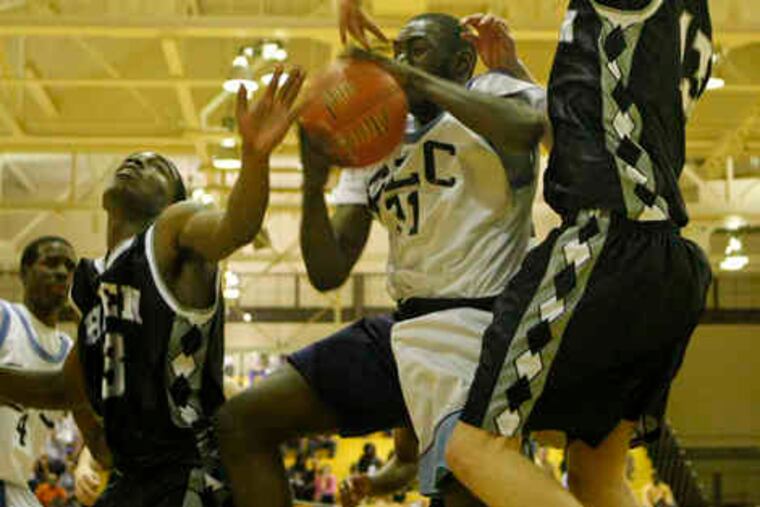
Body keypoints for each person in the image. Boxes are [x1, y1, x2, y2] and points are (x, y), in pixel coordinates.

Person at [219, 9, 546, 507]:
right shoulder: (374, 139)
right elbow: (328, 271)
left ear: (462, 62)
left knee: (461, 495)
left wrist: (418, 82)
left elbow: (529, 129)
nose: (397, 64)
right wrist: (312, 181)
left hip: (481, 329)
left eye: (415, 51)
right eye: (397, 53)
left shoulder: (493, 93)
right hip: (403, 332)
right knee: (241, 423)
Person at [445, 2, 714, 507]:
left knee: (472, 449)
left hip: (607, 244)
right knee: (596, 476)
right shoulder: (677, 20)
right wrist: (515, 75)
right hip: (661, 257)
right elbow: (608, 129)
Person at [0, 66, 305, 507]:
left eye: (156, 165)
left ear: (175, 197)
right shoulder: (93, 283)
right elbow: (64, 390)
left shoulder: (174, 228)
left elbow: (235, 227)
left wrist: (255, 158)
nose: (138, 160)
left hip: (192, 468)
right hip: (134, 476)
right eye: (135, 159)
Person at [0, 236, 77, 507]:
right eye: (51, 263)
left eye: (69, 267)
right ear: (24, 273)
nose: (62, 272)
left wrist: (88, 463)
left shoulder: (71, 352)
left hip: (17, 487)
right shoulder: (5, 317)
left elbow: (90, 420)